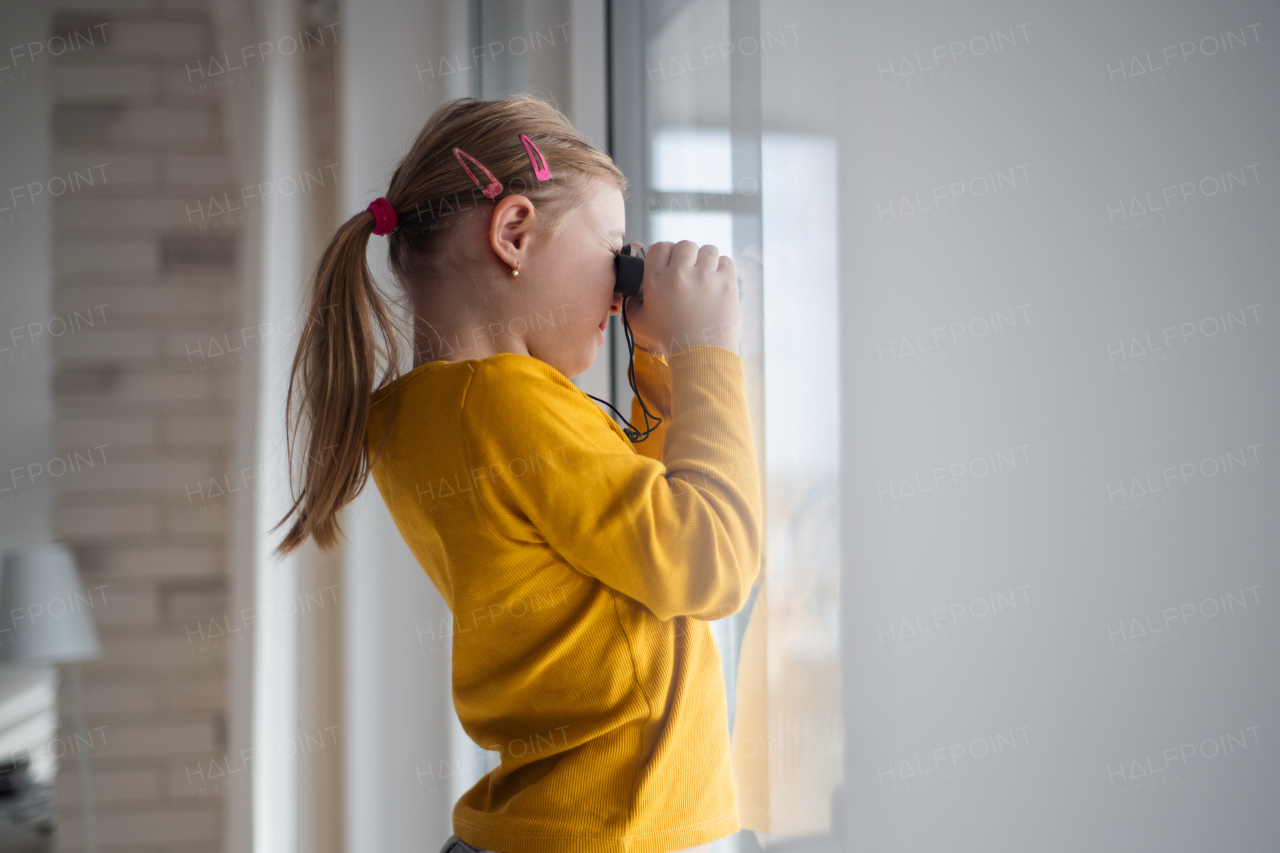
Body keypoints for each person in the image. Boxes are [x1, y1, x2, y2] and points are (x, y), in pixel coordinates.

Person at [274, 94, 762, 853]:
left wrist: (660, 365)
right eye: (613, 253)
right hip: (612, 826)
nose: (622, 283)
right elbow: (711, 563)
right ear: (514, 232)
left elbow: (627, 528)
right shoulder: (508, 402)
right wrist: (709, 353)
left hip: (545, 825)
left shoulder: (417, 419)